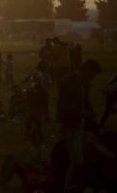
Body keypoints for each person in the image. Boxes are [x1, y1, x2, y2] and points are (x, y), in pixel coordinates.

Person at [56, 59, 101, 192]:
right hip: (69, 125)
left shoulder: (81, 84)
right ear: (86, 70)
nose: (92, 78)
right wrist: (83, 114)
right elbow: (65, 108)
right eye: (92, 75)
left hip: (77, 125)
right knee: (77, 163)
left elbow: (85, 103)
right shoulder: (70, 82)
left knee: (77, 160)